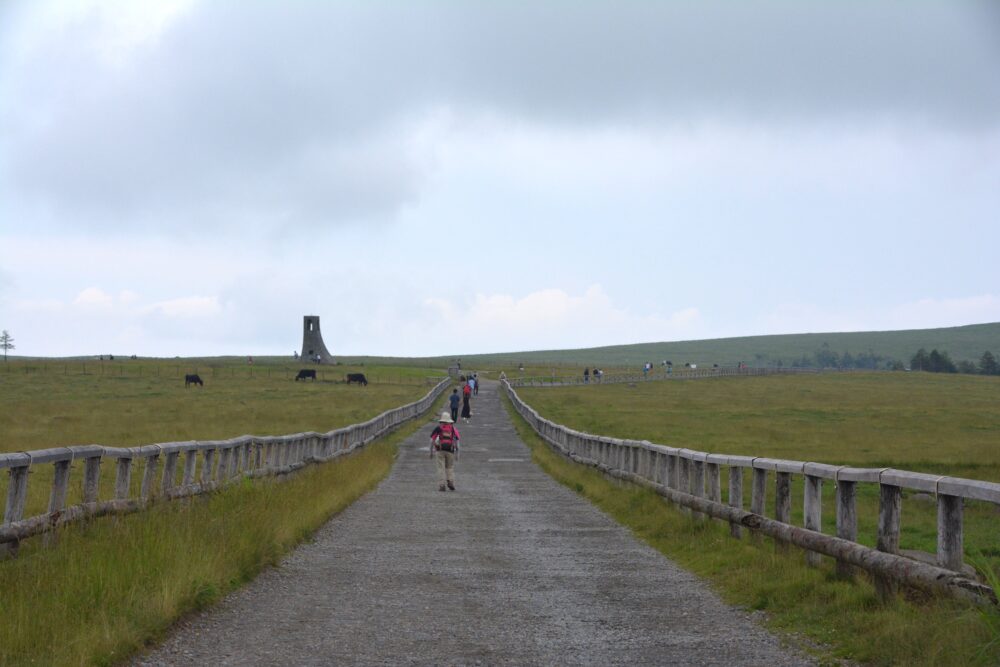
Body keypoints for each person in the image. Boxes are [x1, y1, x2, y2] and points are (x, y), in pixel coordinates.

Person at [430, 411, 460, 491]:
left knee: (440, 468)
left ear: (442, 421)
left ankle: (442, 485)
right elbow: (457, 441)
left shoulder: (438, 428)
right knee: (450, 467)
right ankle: (450, 482)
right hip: (450, 450)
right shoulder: (453, 429)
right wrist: (457, 453)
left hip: (440, 450)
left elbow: (432, 440)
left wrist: (431, 452)